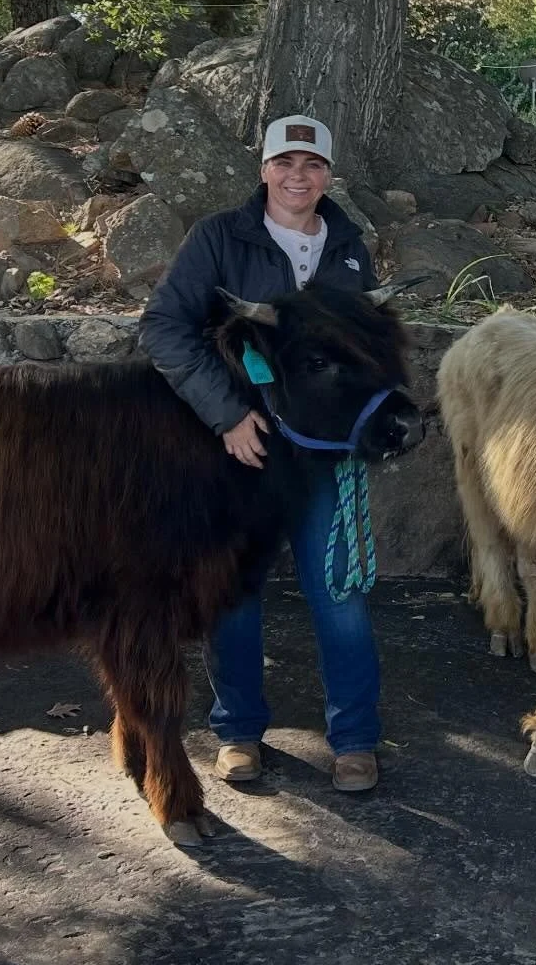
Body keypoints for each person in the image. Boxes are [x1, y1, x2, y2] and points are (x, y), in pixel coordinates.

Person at [139, 114, 386, 793]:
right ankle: (239, 730)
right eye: (285, 162)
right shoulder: (220, 237)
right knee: (237, 595)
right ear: (264, 168)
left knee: (338, 594)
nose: (298, 177)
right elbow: (163, 327)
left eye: (312, 165)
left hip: (325, 456)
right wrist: (226, 414)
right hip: (240, 453)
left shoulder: (349, 248)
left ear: (329, 175)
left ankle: (356, 740)